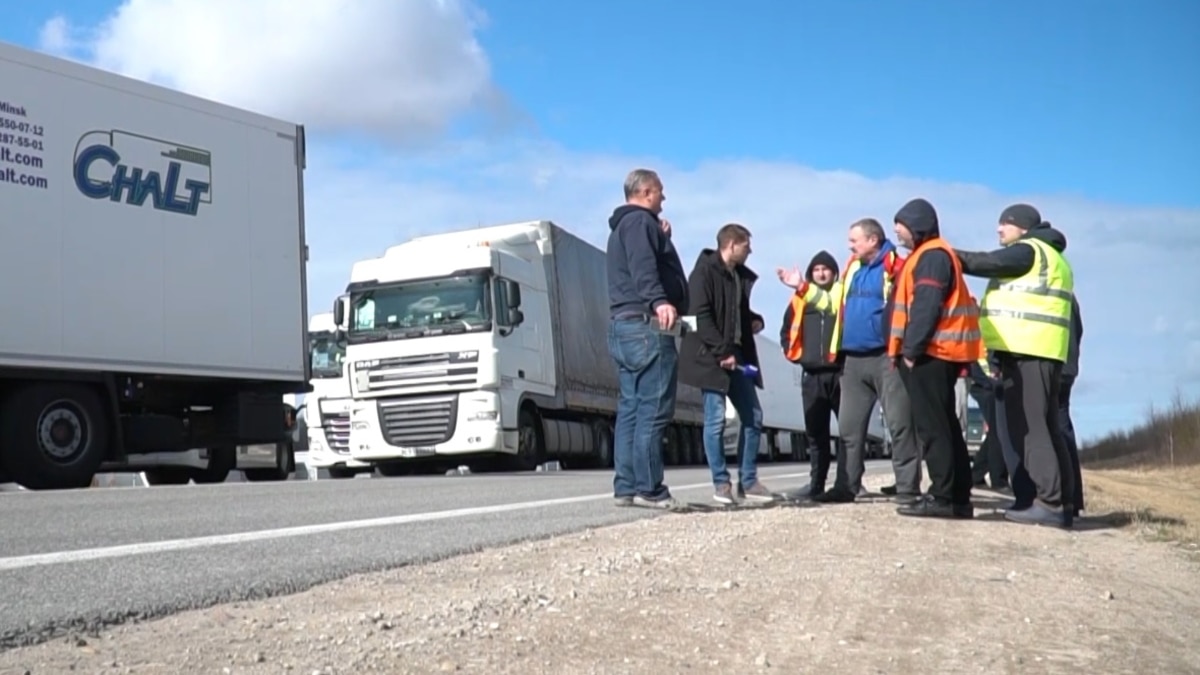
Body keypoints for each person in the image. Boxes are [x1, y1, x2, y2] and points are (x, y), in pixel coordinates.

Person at [955, 204, 1076, 527]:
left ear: (1022, 226)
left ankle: (1049, 503)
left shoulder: (1029, 251)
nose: (999, 229)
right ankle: (1062, 502)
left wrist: (947, 255)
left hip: (1029, 351)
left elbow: (988, 261)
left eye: (1004, 223)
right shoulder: (1050, 255)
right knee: (1046, 427)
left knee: (1030, 427)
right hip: (1039, 351)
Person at [807, 218, 921, 505]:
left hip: (886, 358)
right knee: (849, 428)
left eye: (854, 240)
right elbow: (835, 303)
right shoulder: (853, 267)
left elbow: (909, 304)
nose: (850, 245)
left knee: (899, 425)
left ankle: (907, 487)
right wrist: (801, 287)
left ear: (873, 240)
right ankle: (846, 486)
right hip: (852, 361)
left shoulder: (895, 265)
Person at [887, 198, 982, 519]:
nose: (898, 233)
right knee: (945, 426)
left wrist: (911, 350)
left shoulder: (931, 257)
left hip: (931, 353)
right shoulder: (932, 255)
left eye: (901, 227)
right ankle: (956, 496)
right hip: (937, 352)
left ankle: (943, 497)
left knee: (933, 428)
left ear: (917, 226)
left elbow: (926, 306)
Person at [605, 168, 690, 510]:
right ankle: (650, 488)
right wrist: (659, 301)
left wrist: (663, 238)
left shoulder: (627, 227)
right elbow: (644, 268)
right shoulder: (640, 223)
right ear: (645, 192)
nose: (664, 198)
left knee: (630, 408)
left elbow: (643, 260)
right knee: (653, 408)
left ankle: (626, 486)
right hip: (646, 325)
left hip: (623, 326)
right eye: (660, 192)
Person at [678, 224, 774, 504]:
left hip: (738, 358)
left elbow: (736, 312)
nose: (750, 251)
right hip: (710, 359)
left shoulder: (736, 277)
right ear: (732, 245)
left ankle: (749, 480)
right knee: (715, 420)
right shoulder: (703, 273)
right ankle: (721, 484)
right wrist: (721, 352)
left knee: (753, 417)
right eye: (747, 246)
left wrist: (754, 320)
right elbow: (700, 317)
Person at [777, 251, 842, 498]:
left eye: (826, 269)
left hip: (840, 375)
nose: (821, 273)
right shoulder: (798, 301)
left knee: (847, 433)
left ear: (834, 273)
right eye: (816, 269)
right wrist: (795, 355)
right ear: (810, 274)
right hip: (812, 375)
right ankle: (816, 484)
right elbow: (786, 331)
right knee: (816, 434)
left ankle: (847, 482)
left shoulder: (841, 297)